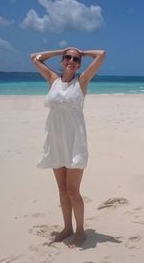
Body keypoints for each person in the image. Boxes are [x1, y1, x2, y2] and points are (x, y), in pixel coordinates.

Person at [31, 47, 106, 248]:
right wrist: (60, 51)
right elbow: (34, 58)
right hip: (55, 142)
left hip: (75, 143)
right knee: (62, 190)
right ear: (62, 60)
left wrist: (82, 51)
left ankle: (80, 231)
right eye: (67, 58)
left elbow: (101, 55)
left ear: (79, 63)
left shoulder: (81, 82)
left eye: (75, 59)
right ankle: (67, 228)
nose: (71, 61)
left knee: (73, 191)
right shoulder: (52, 79)